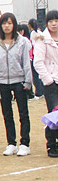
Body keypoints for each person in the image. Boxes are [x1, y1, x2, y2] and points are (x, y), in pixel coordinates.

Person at [0, 13, 32, 156]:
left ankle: (25, 143)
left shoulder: (22, 42)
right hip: (2, 82)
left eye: (9, 23)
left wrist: (28, 81)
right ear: (0, 25)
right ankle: (11, 143)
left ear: (14, 25)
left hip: (19, 81)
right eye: (4, 23)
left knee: (23, 113)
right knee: (7, 114)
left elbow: (26, 62)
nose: (7, 26)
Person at [33, 10, 58, 157]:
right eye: (51, 21)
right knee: (54, 113)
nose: (54, 23)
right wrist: (48, 79)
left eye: (56, 20)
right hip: (51, 83)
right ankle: (52, 144)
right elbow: (38, 62)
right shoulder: (42, 39)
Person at [29, 18, 44, 99]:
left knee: (35, 75)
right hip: (41, 54)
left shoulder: (33, 33)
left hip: (35, 55)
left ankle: (39, 91)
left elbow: (32, 44)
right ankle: (41, 90)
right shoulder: (40, 32)